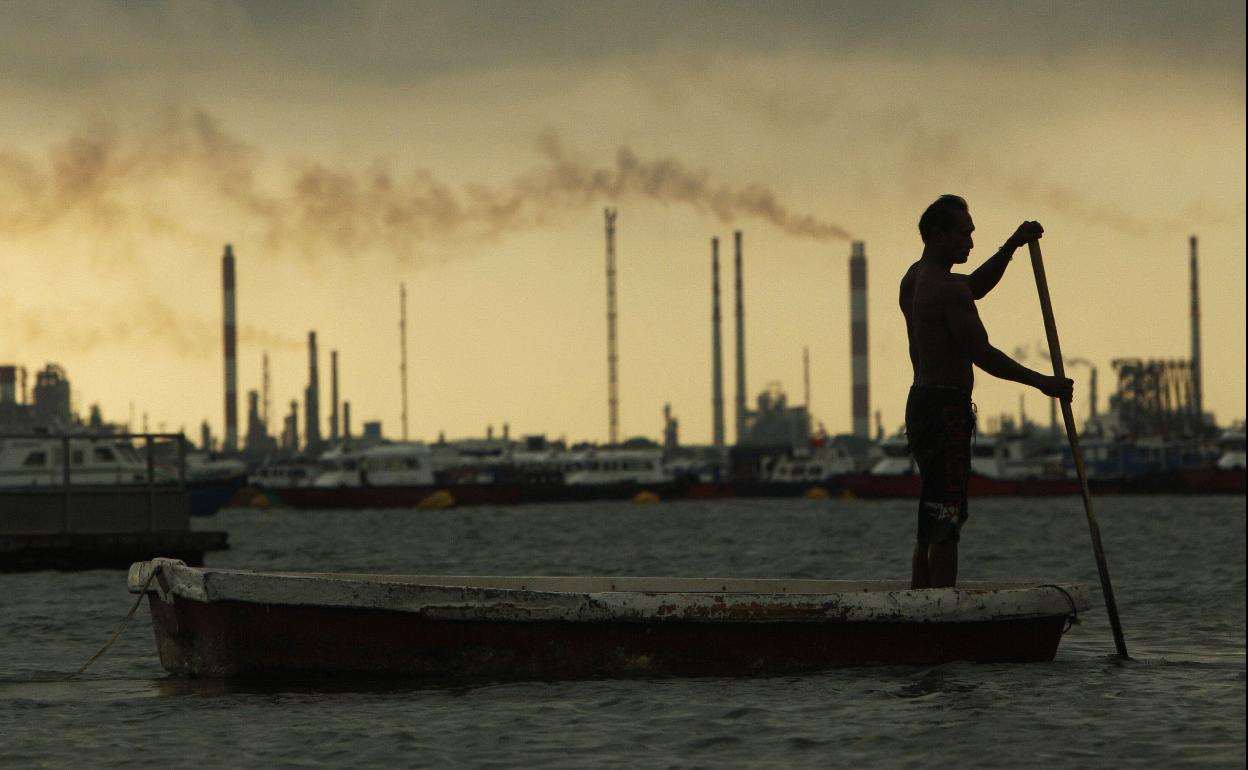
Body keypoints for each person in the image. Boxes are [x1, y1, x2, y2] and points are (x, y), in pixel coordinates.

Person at [899, 194, 1073, 589]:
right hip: (946, 410)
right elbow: (982, 354)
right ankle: (938, 613)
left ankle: (921, 602)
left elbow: (973, 286)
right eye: (964, 235)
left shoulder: (915, 278)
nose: (971, 243)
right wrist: (1043, 383)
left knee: (932, 516)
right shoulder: (946, 289)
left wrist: (1010, 247)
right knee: (945, 517)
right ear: (938, 235)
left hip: (921, 403)